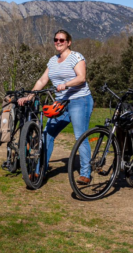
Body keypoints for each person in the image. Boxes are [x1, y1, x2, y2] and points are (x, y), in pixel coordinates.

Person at [18, 30, 93, 184]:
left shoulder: (76, 57)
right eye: (56, 40)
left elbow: (81, 78)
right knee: (47, 135)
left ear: (69, 42)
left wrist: (65, 84)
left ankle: (86, 173)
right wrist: (30, 96)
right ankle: (40, 171)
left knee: (80, 136)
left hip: (79, 101)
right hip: (60, 104)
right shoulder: (52, 61)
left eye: (62, 40)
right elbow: (42, 80)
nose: (58, 42)